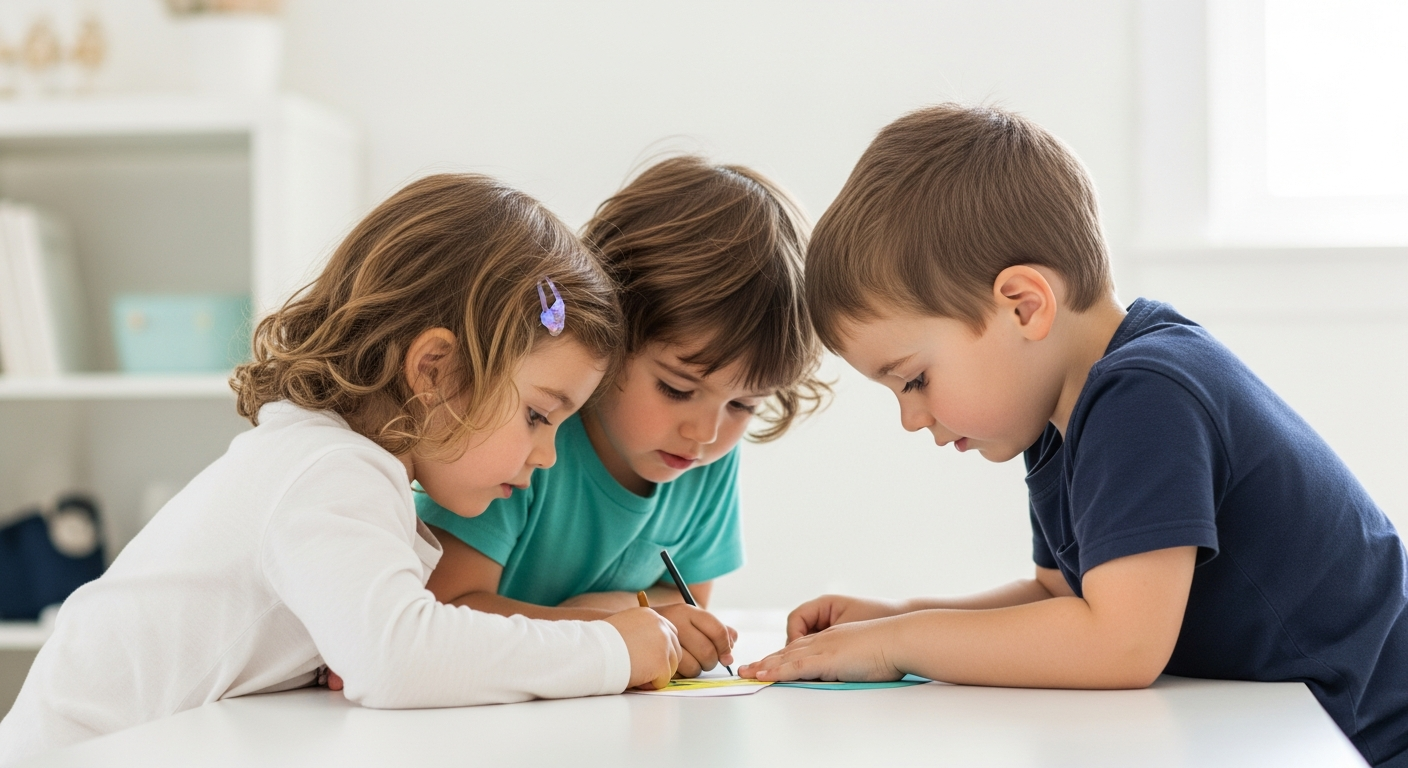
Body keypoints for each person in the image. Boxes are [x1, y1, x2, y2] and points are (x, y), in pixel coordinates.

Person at [739, 104, 1408, 768]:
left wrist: (900, 644)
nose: (912, 419)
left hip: (1364, 740)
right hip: (1280, 726)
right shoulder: (1061, 415)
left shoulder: (1144, 396)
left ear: (1024, 306)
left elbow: (1120, 644)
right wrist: (895, 616)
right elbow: (1066, 597)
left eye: (913, 380)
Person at [0, 174, 681, 763]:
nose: (548, 455)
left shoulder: (336, 464)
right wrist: (608, 651)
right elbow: (399, 657)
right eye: (539, 415)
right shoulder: (331, 472)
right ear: (435, 371)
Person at [419, 156, 827, 678]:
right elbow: (445, 610)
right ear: (609, 331)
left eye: (744, 405)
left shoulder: (706, 463)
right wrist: (605, 625)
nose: (705, 433)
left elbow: (687, 609)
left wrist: (616, 614)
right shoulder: (522, 440)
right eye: (677, 388)